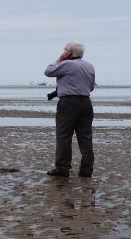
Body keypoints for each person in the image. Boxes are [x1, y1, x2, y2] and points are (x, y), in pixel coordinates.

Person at [44, 41, 96, 177]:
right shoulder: (89, 66)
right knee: (85, 136)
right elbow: (91, 87)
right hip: (85, 102)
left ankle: (62, 167)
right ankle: (86, 169)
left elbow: (48, 71)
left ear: (69, 52)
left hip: (68, 103)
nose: (63, 51)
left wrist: (61, 59)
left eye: (65, 50)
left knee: (64, 135)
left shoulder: (66, 64)